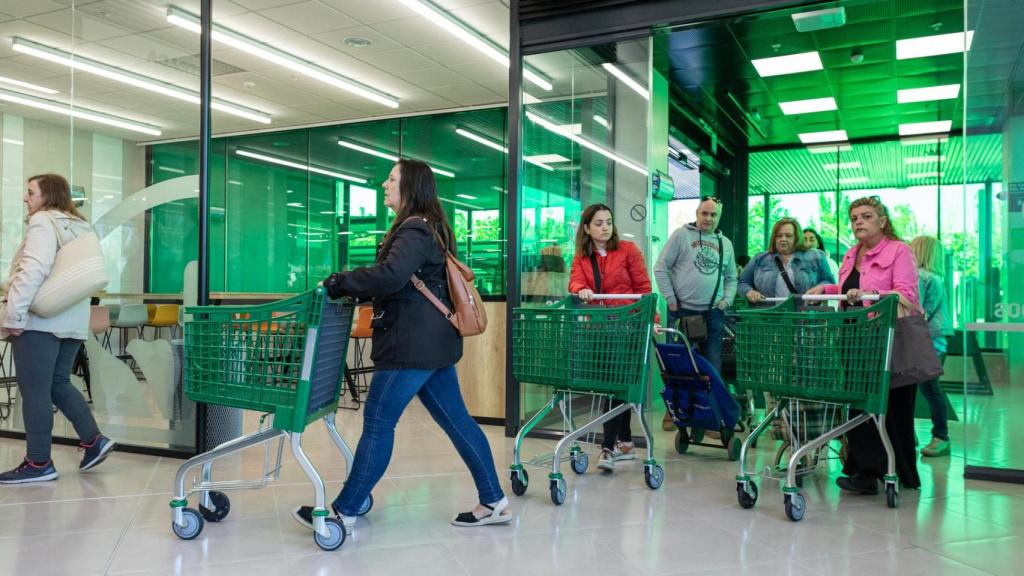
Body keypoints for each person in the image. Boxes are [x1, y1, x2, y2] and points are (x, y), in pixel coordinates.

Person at [292, 159, 510, 533]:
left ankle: (344, 510)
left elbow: (391, 276)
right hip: (431, 343)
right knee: (457, 421)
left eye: (392, 179)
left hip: (411, 345)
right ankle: (494, 500)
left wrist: (340, 282)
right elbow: (402, 282)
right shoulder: (430, 227)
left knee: (378, 422)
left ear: (411, 186)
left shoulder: (414, 229)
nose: (384, 184)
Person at [0, 173, 115, 484]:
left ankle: (38, 462)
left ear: (47, 195)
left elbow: (33, 270)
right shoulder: (80, 225)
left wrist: (14, 316)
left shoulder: (43, 221)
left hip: (41, 321)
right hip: (72, 322)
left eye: (31, 192)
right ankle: (94, 441)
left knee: (34, 390)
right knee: (58, 383)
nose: (25, 198)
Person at [807, 197, 921, 494]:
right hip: (853, 336)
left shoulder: (899, 251)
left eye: (866, 216)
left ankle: (900, 470)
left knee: (894, 406)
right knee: (859, 404)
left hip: (888, 336)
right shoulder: (850, 254)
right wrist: (827, 289)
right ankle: (865, 472)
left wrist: (869, 293)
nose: (859, 221)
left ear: (882, 221)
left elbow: (906, 295)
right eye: (855, 217)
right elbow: (848, 290)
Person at [568, 203, 655, 472]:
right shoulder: (582, 257)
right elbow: (574, 281)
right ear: (586, 228)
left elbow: (644, 288)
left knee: (613, 385)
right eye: (598, 223)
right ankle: (625, 442)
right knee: (616, 385)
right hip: (599, 330)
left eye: (608, 222)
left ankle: (607, 446)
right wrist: (581, 288)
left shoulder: (628, 250)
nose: (605, 227)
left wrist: (652, 321)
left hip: (626, 327)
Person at [654, 195, 737, 430]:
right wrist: (671, 300)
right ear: (697, 213)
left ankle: (713, 418)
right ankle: (675, 411)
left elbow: (731, 278)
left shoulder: (726, 244)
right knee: (676, 367)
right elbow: (660, 268)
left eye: (713, 214)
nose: (708, 218)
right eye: (704, 213)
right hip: (681, 313)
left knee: (712, 368)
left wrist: (726, 301)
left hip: (713, 314)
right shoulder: (681, 235)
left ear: (719, 217)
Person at [910, 236, 953, 457]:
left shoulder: (925, 278)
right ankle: (930, 436)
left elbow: (920, 311)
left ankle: (941, 436)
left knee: (931, 389)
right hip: (929, 340)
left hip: (928, 341)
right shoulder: (932, 278)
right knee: (925, 390)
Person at [739, 217, 834, 304]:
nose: (783, 239)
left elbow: (829, 281)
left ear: (797, 238)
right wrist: (749, 292)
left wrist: (821, 288)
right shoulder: (760, 258)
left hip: (804, 314)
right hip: (767, 314)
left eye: (788, 236)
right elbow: (742, 283)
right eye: (779, 236)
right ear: (774, 238)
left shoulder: (817, 256)